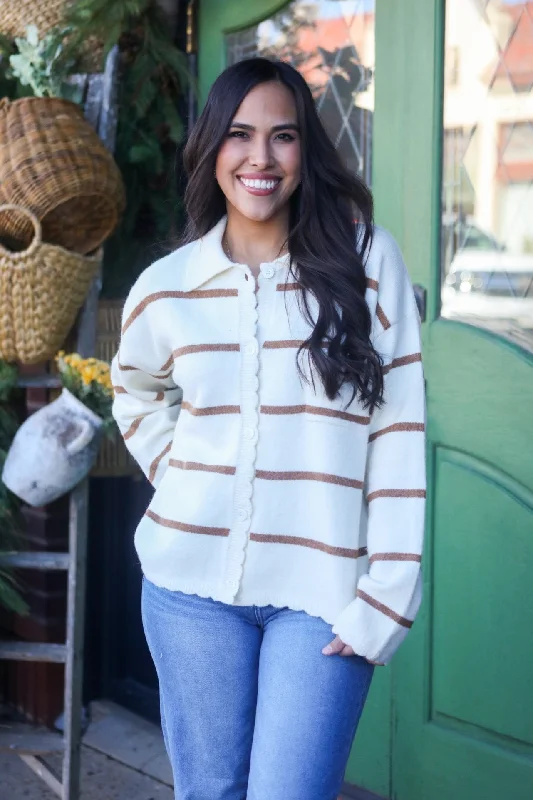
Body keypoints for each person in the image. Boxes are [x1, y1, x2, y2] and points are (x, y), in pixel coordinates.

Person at [111, 57, 426, 800]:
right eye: (239, 135)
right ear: (211, 149)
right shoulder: (168, 286)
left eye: (282, 136)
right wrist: (185, 469)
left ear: (304, 151)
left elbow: (398, 432)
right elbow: (133, 390)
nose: (260, 157)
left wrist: (386, 594)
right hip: (189, 587)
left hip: (321, 593)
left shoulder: (365, 263)